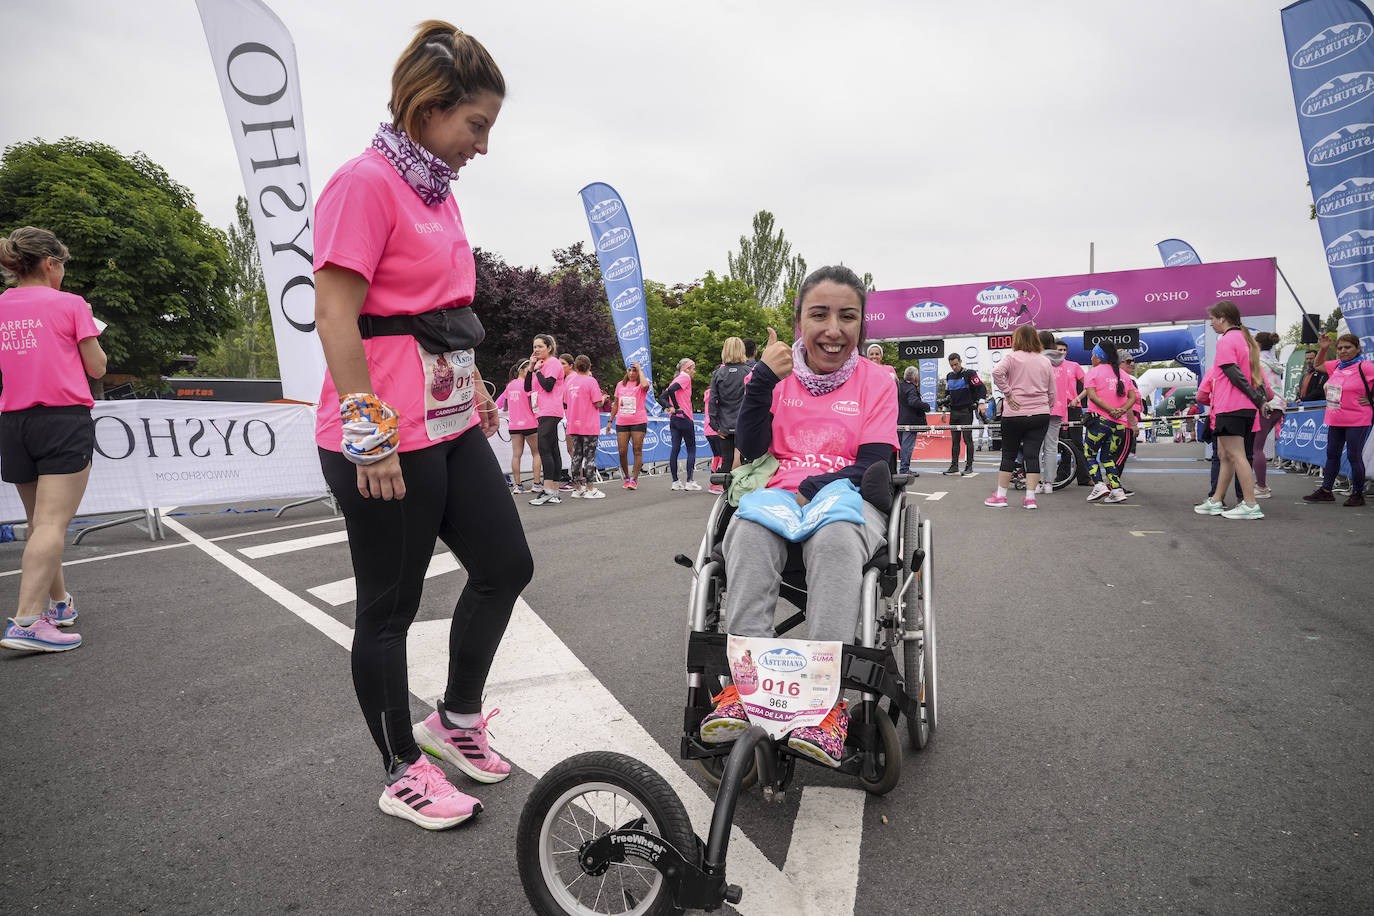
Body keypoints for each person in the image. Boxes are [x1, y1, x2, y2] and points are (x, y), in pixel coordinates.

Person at [311, 21, 532, 830]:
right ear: (428, 108)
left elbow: (438, 312)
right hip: (383, 436)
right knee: (389, 608)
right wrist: (368, 431)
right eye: (476, 125)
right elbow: (335, 311)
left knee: (506, 564)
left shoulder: (435, 188)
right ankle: (400, 766)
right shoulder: (364, 183)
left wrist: (470, 388)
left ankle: (456, 718)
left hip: (445, 419)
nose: (482, 144)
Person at [698, 265, 897, 767]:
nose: (833, 329)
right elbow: (749, 446)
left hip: (846, 497)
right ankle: (748, 692)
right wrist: (762, 380)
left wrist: (819, 486)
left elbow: (877, 461)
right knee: (744, 533)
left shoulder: (878, 381)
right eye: (820, 315)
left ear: (861, 326)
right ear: (799, 321)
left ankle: (823, 707)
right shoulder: (774, 375)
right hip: (778, 497)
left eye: (847, 317)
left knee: (833, 540)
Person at [0, 227, 106, 654]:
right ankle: (26, 621)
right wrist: (88, 327)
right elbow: (97, 367)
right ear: (50, 263)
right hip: (62, 419)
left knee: (40, 523)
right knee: (50, 525)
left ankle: (59, 605)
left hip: (13, 421)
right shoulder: (72, 305)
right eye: (62, 265)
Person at [1193, 301, 1271, 520]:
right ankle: (1216, 500)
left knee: (1236, 456)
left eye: (1212, 319)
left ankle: (1250, 504)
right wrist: (1259, 400)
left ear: (1223, 318)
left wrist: (1258, 398)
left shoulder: (1228, 339)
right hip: (1241, 407)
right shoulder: (1246, 341)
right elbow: (1257, 377)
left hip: (1232, 405)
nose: (1211, 324)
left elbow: (1233, 373)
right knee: (1225, 455)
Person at [985, 325, 1055, 509]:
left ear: (1016, 339)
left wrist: (1008, 393)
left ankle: (1001, 496)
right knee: (1033, 455)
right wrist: (1047, 405)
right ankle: (1031, 498)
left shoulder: (1012, 358)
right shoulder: (1044, 361)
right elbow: (1051, 390)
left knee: (1008, 453)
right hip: (1040, 413)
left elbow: (996, 372)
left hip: (1014, 413)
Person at [1301, 332, 1373, 506]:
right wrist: (1324, 348)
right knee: (1332, 454)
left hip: (1357, 417)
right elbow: (1317, 364)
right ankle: (1326, 491)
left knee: (1353, 455)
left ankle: (1357, 494)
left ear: (1357, 349)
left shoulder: (1366, 366)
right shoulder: (1337, 366)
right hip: (1335, 417)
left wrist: (1372, 399)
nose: (1343, 351)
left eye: (1347, 347)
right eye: (1340, 348)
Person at [1082, 340, 1137, 504]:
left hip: (1100, 421)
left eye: (1093, 354)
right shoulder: (1123, 374)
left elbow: (1092, 396)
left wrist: (1109, 410)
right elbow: (1132, 397)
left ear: (1098, 357)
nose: (1091, 357)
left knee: (1089, 453)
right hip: (1120, 424)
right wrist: (1120, 410)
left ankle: (1099, 485)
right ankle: (1117, 490)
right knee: (1108, 457)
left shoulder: (1094, 372)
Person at [526, 333, 566, 505]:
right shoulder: (539, 366)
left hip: (551, 410)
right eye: (534, 347)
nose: (536, 350)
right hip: (542, 411)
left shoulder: (553, 363)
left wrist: (537, 371)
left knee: (544, 447)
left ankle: (548, 490)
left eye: (540, 346)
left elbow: (548, 386)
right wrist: (531, 368)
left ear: (549, 348)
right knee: (552, 449)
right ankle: (554, 491)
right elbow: (527, 387)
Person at [563, 355, 606, 499]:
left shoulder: (569, 382)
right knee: (589, 457)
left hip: (574, 424)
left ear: (575, 367)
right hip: (589, 425)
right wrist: (604, 398)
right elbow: (597, 403)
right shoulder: (591, 381)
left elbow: (566, 401)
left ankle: (577, 488)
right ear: (589, 367)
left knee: (576, 457)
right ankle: (590, 488)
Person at [495, 360, 540, 494]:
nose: (531, 373)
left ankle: (518, 485)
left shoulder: (510, 386)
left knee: (516, 455)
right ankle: (537, 483)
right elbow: (534, 404)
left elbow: (504, 406)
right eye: (528, 370)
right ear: (521, 370)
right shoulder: (529, 385)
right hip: (530, 423)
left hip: (514, 425)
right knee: (537, 453)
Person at [708, 336, 750, 479]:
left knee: (726, 461)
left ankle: (726, 494)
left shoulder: (718, 374)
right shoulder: (749, 372)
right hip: (745, 425)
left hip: (725, 425)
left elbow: (713, 400)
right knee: (746, 463)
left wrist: (715, 426)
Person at [605, 361, 650, 489]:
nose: (631, 373)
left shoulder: (642, 383)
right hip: (622, 422)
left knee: (637, 450)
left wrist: (640, 369)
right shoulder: (620, 385)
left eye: (634, 371)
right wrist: (610, 421)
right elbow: (616, 403)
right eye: (629, 370)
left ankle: (634, 479)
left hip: (638, 421)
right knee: (622, 451)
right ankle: (626, 476)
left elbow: (646, 386)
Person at [1252, 331, 1286, 498]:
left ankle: (1261, 486)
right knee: (1258, 447)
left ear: (1257, 344)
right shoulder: (1273, 361)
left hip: (1266, 406)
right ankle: (1261, 484)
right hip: (1278, 406)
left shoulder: (1257, 362)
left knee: (1256, 448)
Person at [942, 352, 986, 475]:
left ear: (960, 361)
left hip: (966, 411)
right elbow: (947, 394)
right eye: (952, 365)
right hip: (954, 412)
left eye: (956, 364)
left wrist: (981, 402)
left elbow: (981, 387)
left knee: (967, 439)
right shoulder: (949, 376)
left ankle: (969, 466)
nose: (954, 367)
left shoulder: (970, 373)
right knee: (955, 441)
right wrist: (945, 411)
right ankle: (954, 466)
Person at [1036, 332, 1069, 493]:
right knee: (1051, 447)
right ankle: (1048, 483)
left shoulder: (1038, 361)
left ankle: (1034, 483)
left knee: (1035, 446)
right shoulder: (1063, 363)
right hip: (1059, 407)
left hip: (1040, 406)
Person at [661, 357, 701, 490]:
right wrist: (677, 406)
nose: (694, 371)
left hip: (674, 418)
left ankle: (675, 482)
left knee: (675, 449)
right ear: (686, 369)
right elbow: (671, 391)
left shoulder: (676, 378)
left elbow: (662, 396)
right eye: (693, 368)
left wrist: (670, 407)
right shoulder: (685, 378)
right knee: (691, 449)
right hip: (684, 416)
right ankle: (689, 481)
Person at [897, 366, 929, 476]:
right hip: (910, 422)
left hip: (899, 420)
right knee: (907, 446)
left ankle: (902, 467)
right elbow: (913, 402)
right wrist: (926, 406)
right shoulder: (911, 388)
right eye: (918, 375)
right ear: (915, 377)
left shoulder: (900, 386)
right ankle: (904, 469)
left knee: (902, 446)